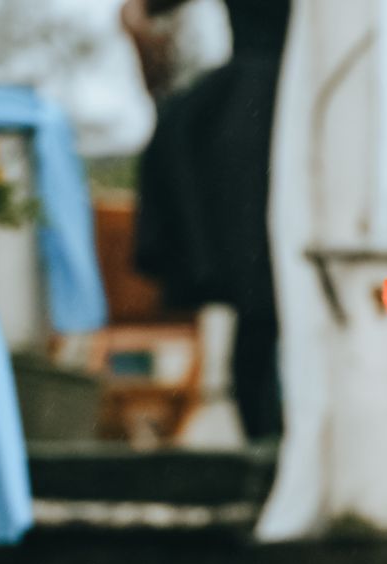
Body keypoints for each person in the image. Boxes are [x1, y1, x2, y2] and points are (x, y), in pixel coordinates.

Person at [120, 0, 288, 441]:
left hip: (257, 108)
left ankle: (267, 438)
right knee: (260, 297)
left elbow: (136, 14)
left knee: (260, 302)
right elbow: (136, 12)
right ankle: (265, 438)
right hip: (266, 111)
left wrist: (149, 53)